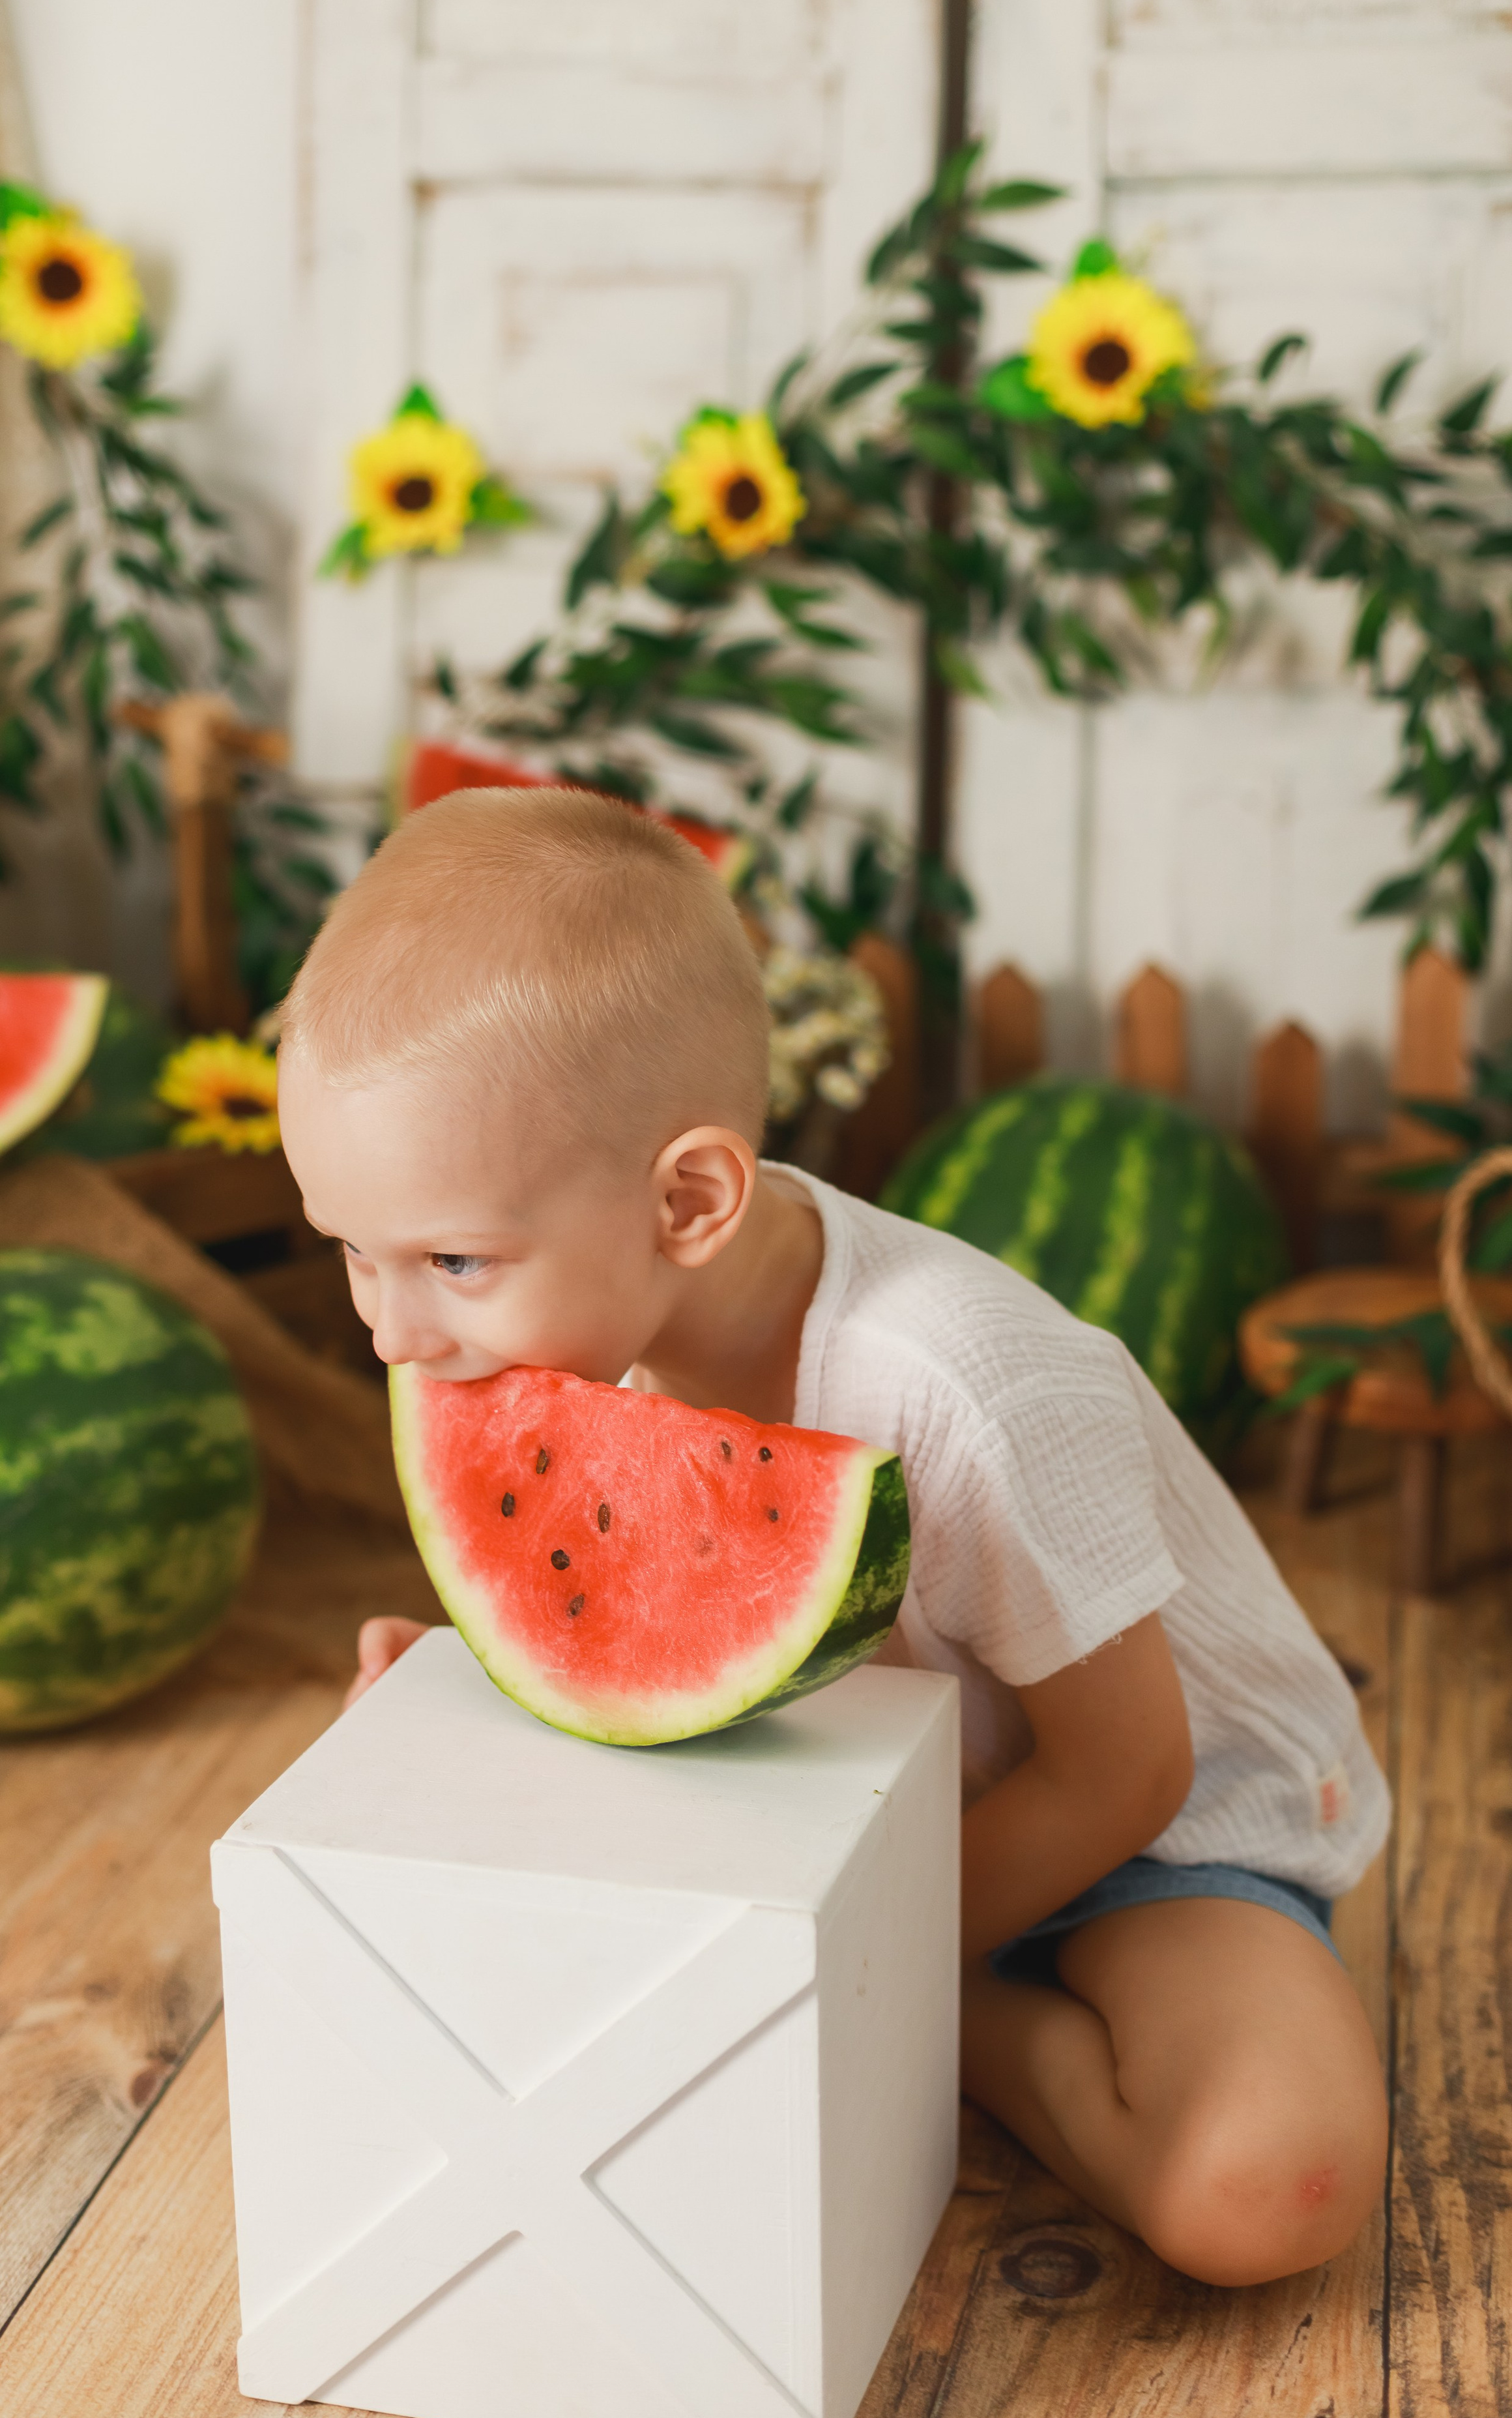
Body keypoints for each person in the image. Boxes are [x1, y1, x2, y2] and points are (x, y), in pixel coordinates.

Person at [276, 782, 1389, 2290]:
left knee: (1264, 2192)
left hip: (1149, 1840)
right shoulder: (578, 1325)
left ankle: (959, 2026)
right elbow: (644, 1641)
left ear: (688, 1200)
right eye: (352, 1251)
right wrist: (457, 1708)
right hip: (831, 1798)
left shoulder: (964, 1385)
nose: (392, 1332)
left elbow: (1125, 1773)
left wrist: (857, 1961)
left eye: (451, 1261)